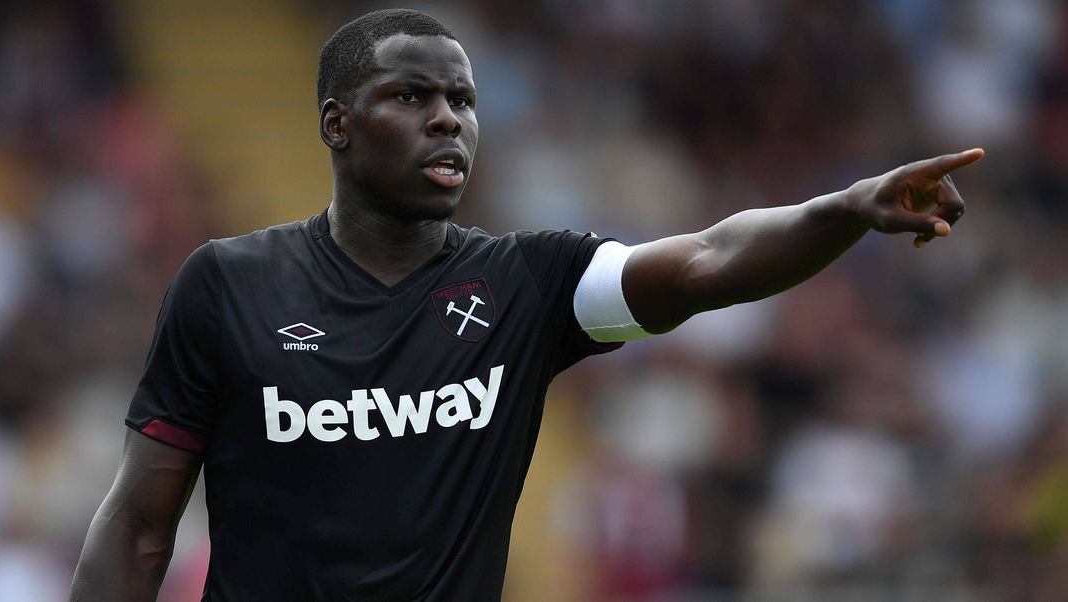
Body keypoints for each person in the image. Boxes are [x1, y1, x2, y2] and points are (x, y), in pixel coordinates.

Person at [69, 8, 983, 601]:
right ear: (337, 123)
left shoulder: (526, 284)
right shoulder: (227, 284)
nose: (448, 120)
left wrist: (844, 208)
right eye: (412, 96)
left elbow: (708, 259)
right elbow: (142, 525)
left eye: (462, 101)